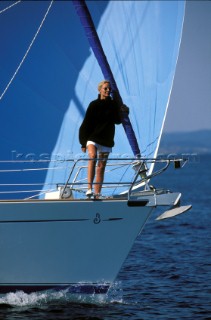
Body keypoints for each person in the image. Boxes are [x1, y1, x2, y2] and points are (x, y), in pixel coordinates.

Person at [79, 80, 129, 198]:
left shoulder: (113, 105)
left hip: (106, 139)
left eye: (109, 89)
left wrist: (124, 111)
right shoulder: (93, 105)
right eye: (105, 88)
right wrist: (83, 143)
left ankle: (97, 194)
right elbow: (86, 124)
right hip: (93, 137)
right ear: (100, 89)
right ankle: (89, 188)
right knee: (92, 156)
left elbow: (117, 121)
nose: (108, 90)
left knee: (101, 167)